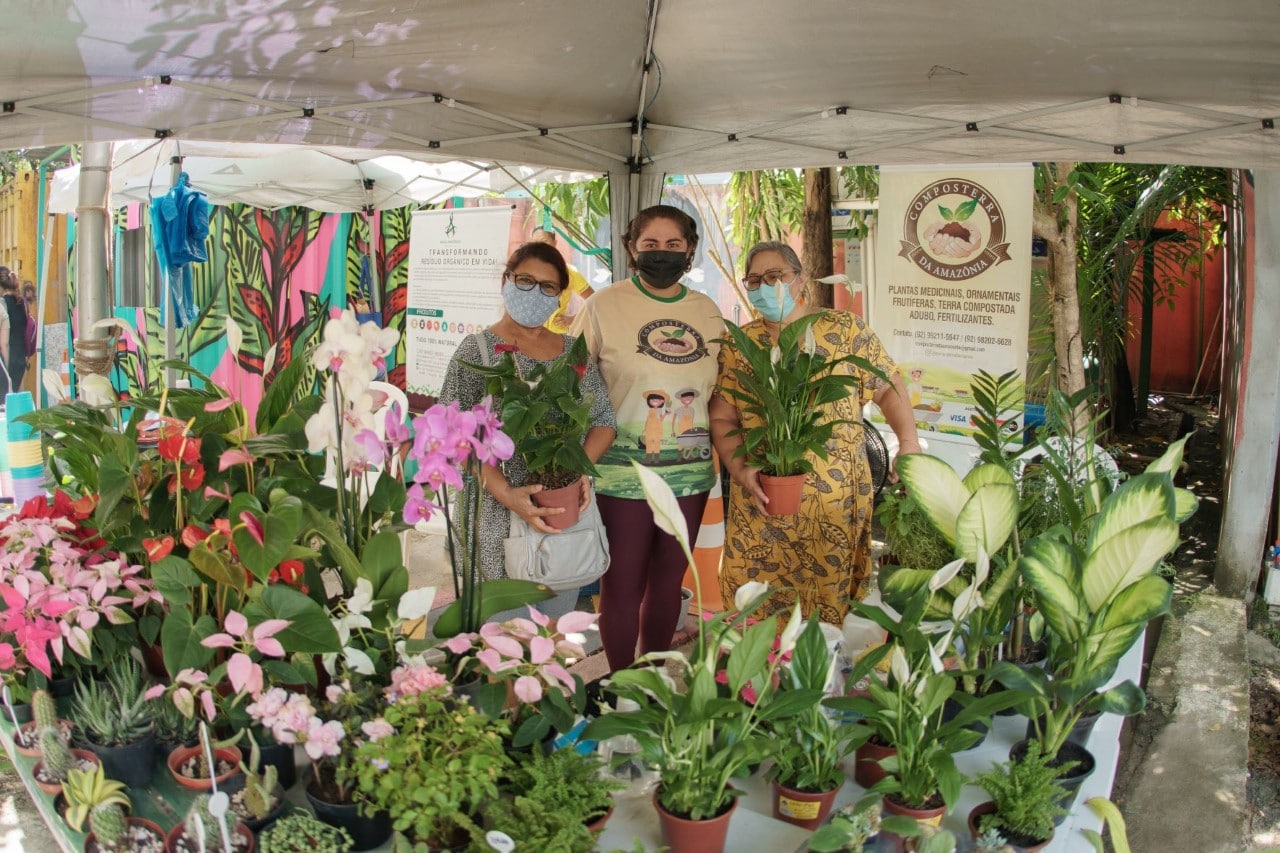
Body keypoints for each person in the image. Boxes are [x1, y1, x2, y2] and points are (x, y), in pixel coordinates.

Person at [709, 241, 922, 623]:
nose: (765, 287)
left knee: (827, 619)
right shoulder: (739, 344)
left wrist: (909, 443)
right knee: (754, 612)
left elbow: (887, 388)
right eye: (755, 280)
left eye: (776, 276)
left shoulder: (844, 329)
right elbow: (723, 418)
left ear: (800, 278)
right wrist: (741, 470)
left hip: (833, 513)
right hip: (763, 505)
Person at [571, 204, 724, 670]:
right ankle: (621, 683)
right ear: (630, 249)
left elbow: (719, 392)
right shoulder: (603, 306)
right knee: (622, 583)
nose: (662, 254)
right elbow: (573, 382)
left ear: (691, 250)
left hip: (690, 475)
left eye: (673, 245)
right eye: (650, 245)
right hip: (621, 474)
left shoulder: (707, 311)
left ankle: (653, 679)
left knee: (668, 580)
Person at [438, 241, 617, 618]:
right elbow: (453, 438)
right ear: (506, 280)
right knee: (499, 633)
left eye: (548, 286)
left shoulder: (573, 352)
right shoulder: (477, 352)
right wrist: (507, 494)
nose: (535, 292)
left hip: (562, 514)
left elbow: (603, 421)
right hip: (494, 520)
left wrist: (580, 471)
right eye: (525, 280)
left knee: (553, 625)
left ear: (559, 297)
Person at [531, 227, 595, 334]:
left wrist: (573, 319)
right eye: (535, 243)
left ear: (555, 243)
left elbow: (594, 299)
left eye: (544, 241)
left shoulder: (569, 272)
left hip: (557, 337)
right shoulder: (527, 271)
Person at [0, 268, 29, 398]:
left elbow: (4, 343)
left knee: (5, 403)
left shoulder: (3, 304)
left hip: (8, 359)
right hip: (21, 357)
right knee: (16, 398)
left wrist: (6, 366)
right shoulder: (22, 302)